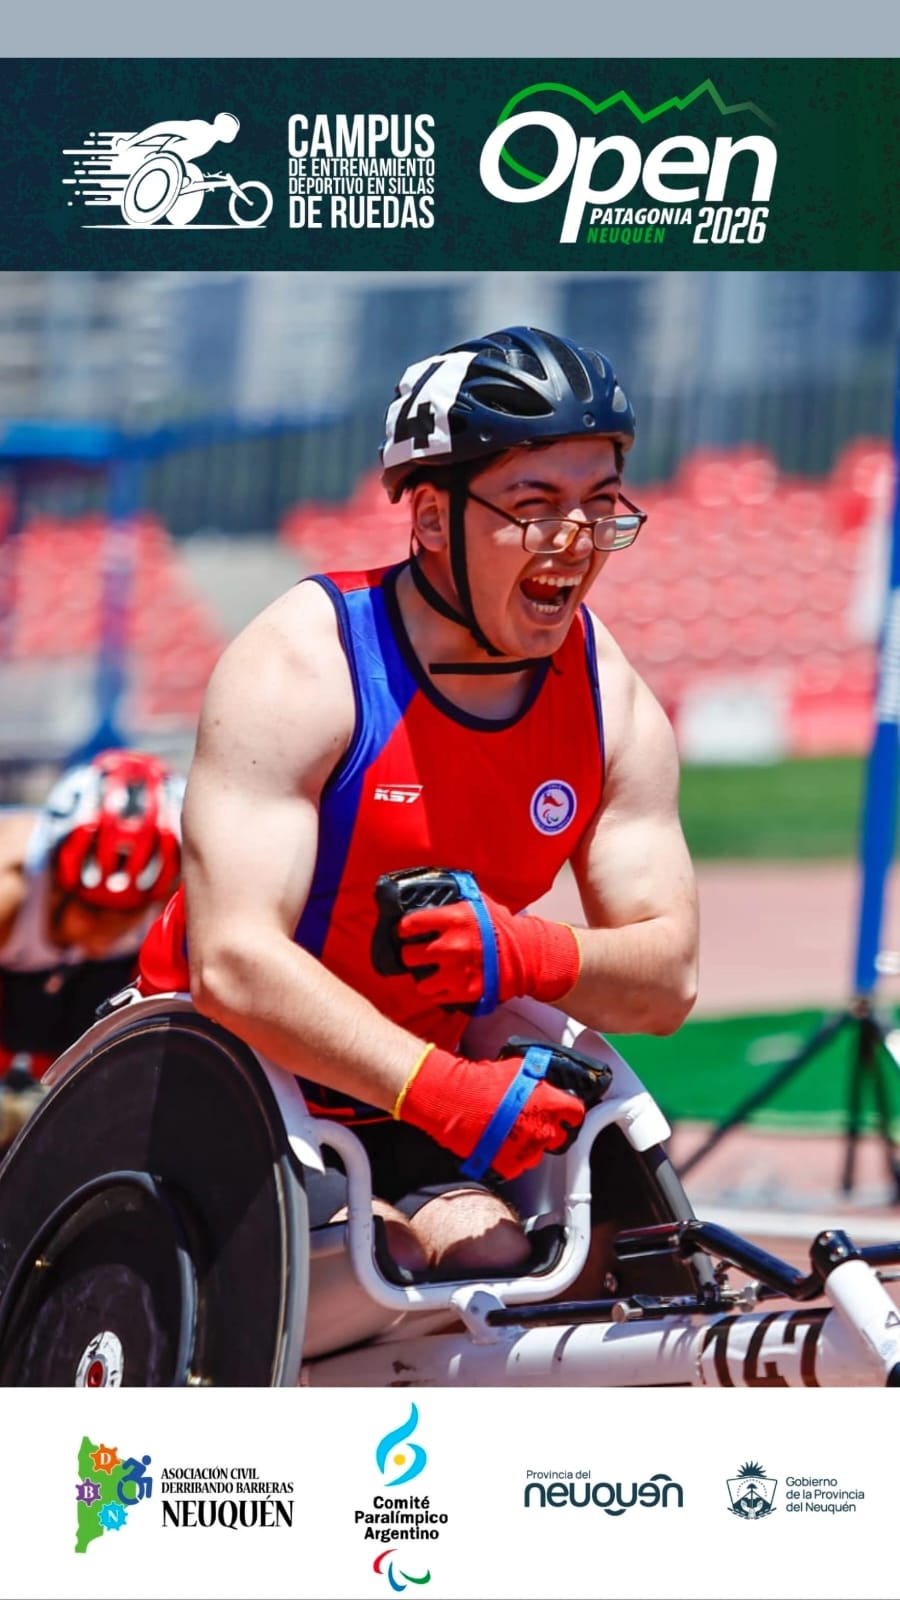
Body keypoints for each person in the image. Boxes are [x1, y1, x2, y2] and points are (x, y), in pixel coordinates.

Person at [138, 325, 699, 1280]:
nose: (574, 540)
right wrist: (443, 1092)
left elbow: (667, 977)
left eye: (601, 504)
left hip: (403, 1095)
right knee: (378, 1258)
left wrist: (525, 951)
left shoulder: (610, 698)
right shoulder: (303, 662)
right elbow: (232, 964)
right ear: (432, 519)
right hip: (211, 1077)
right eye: (535, 505)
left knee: (514, 1259)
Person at [0, 749, 185, 1153]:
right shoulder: (9, 888)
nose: (106, 933)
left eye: (127, 915)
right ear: (55, 879)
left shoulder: (178, 897)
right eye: (93, 910)